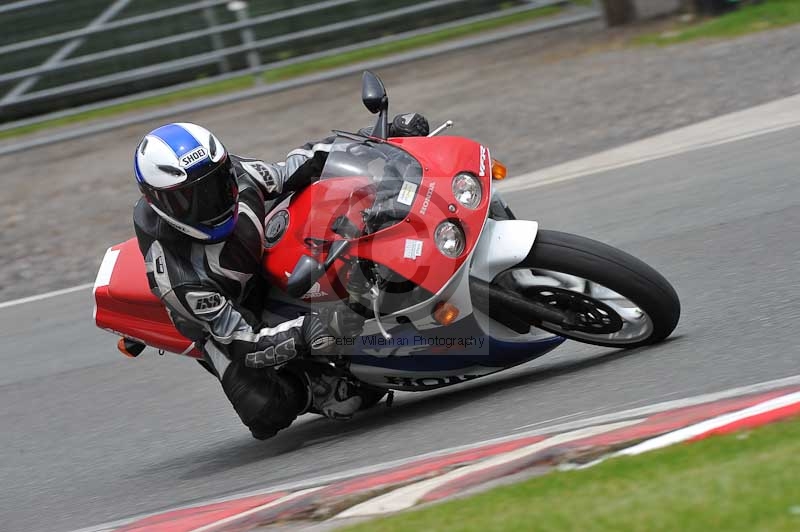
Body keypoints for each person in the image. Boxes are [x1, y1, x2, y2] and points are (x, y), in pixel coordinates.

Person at [132, 115, 429, 439]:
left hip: (259, 253)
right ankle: (313, 388)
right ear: (159, 203)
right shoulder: (179, 278)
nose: (213, 200)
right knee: (264, 410)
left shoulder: (238, 176)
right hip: (225, 316)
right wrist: (308, 330)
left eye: (216, 184)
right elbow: (242, 340)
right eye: (193, 198)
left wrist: (374, 142)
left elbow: (298, 165)